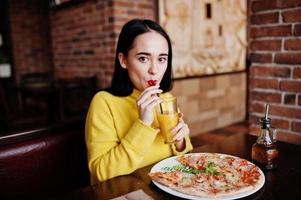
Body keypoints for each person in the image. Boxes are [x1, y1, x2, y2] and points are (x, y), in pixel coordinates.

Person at [85, 19, 193, 184]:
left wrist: (179, 142)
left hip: (168, 186)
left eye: (162, 59)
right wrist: (143, 124)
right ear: (123, 60)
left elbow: (183, 158)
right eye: (143, 58)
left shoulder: (166, 99)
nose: (154, 70)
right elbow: (101, 172)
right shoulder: (104, 102)